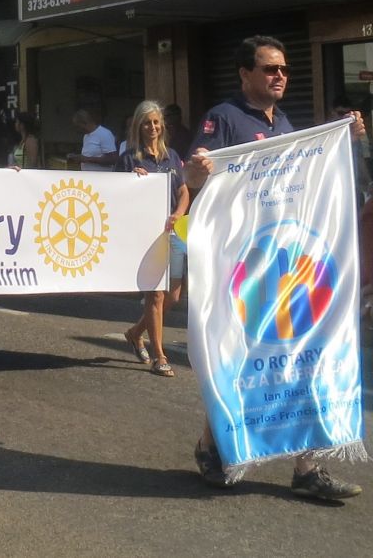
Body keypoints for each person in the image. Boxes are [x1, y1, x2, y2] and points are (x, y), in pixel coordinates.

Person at [184, 35, 367, 501]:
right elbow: (192, 175)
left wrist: (344, 139)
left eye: (283, 68)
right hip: (242, 267)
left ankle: (308, 468)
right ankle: (211, 447)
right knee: (236, 357)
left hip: (288, 261)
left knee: (302, 356)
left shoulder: (284, 123)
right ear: (245, 74)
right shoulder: (224, 118)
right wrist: (198, 171)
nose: (280, 75)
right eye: (269, 68)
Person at [116, 101, 188, 377]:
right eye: (147, 122)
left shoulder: (172, 156)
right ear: (138, 126)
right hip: (146, 234)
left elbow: (183, 191)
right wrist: (132, 181)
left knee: (174, 295)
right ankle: (160, 355)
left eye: (156, 122)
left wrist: (179, 213)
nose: (152, 127)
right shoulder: (129, 158)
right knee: (155, 294)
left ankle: (136, 333)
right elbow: (114, 193)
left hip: (175, 231)